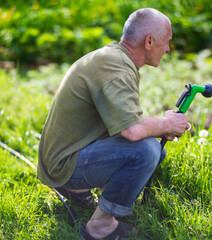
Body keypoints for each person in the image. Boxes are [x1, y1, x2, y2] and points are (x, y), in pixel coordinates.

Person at [37, 8, 189, 239]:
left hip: (67, 153)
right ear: (149, 41)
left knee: (154, 150)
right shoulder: (116, 70)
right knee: (145, 151)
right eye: (166, 42)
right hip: (63, 164)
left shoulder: (113, 58)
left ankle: (78, 189)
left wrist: (163, 124)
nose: (168, 48)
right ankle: (100, 227)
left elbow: (127, 122)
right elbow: (132, 130)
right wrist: (166, 124)